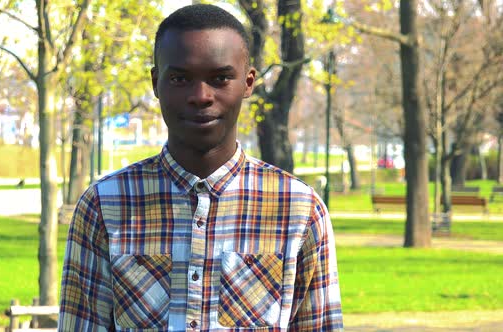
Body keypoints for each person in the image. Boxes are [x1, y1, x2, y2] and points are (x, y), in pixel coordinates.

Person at [59, 4, 343, 331]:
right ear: (156, 82)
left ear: (248, 83)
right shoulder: (104, 207)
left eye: (220, 78)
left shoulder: (299, 210)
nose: (201, 96)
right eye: (180, 78)